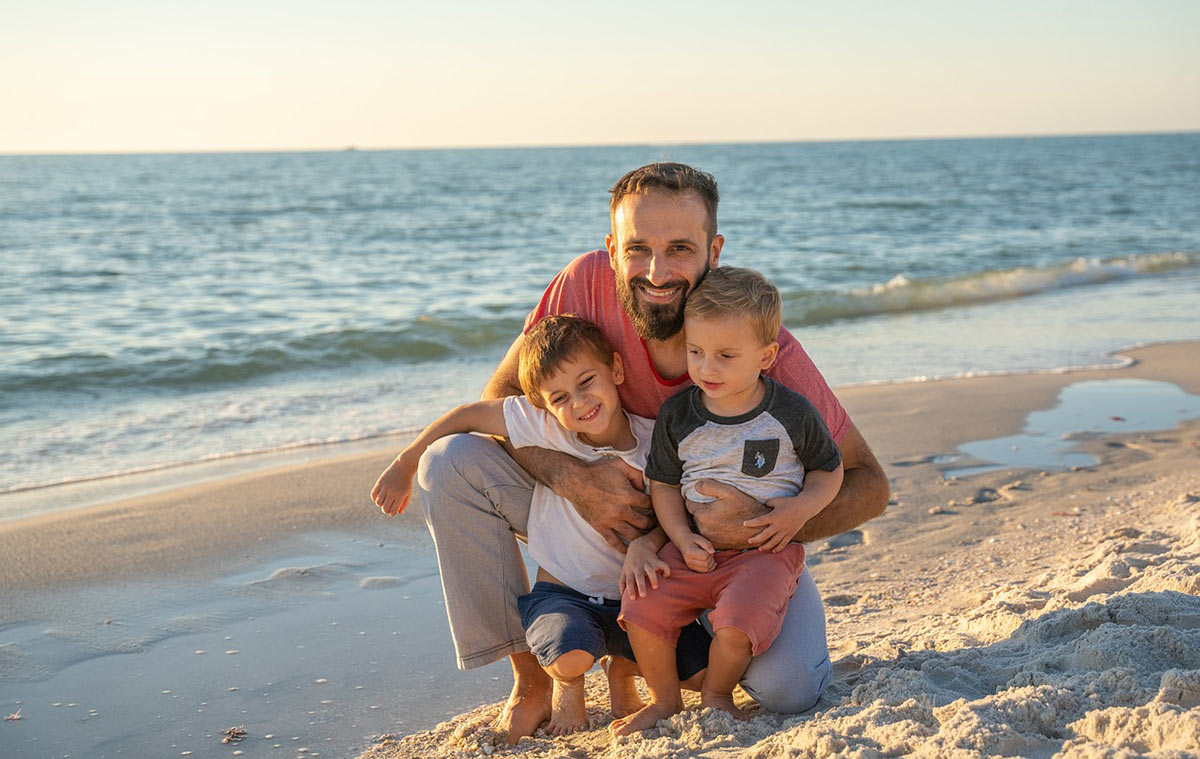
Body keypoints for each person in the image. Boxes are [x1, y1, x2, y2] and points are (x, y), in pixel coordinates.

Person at [412, 162, 890, 744]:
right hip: (582, 522)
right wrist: (572, 477)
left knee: (788, 689)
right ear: (612, 249)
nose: (657, 272)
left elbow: (869, 481)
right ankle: (532, 680)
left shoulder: (754, 343)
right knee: (451, 462)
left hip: (714, 553)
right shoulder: (583, 283)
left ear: (713, 250)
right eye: (638, 248)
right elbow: (504, 396)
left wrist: (762, 529)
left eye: (680, 249)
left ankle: (651, 650)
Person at [370, 315, 708, 735]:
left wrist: (646, 545)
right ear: (543, 405)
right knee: (568, 656)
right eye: (560, 397)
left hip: (638, 604)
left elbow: (678, 510)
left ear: (616, 370)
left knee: (706, 678)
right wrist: (407, 462)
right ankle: (567, 688)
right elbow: (468, 415)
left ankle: (622, 668)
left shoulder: (657, 440)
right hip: (566, 597)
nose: (580, 403)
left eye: (587, 382)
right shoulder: (546, 428)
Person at [612, 267, 844, 735]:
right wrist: (678, 537)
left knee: (737, 627)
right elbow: (665, 485)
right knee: (640, 609)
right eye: (695, 352)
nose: (706, 368)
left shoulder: (791, 412)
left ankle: (717, 694)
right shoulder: (680, 414)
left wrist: (801, 510)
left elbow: (830, 469)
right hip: (694, 550)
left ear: (766, 356)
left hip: (764, 554)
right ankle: (665, 700)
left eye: (725, 355)